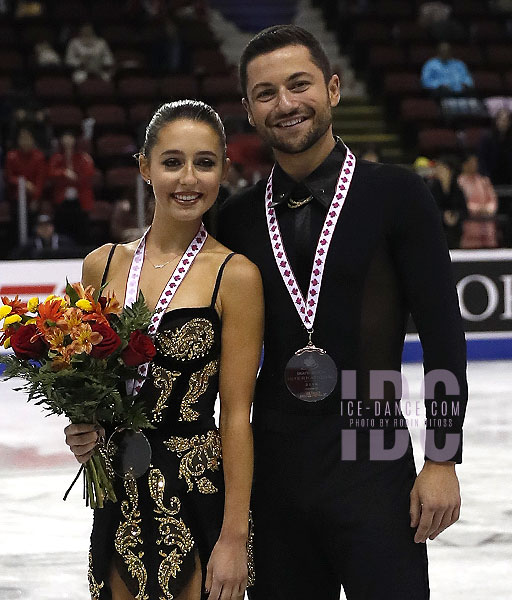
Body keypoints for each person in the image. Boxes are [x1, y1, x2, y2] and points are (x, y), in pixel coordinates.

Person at [218, 25, 467, 600]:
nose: (286, 104)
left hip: (373, 438)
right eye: (266, 93)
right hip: (274, 455)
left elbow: (443, 334)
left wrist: (442, 457)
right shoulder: (236, 219)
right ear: (250, 112)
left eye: (299, 84)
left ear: (333, 88)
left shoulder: (398, 193)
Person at [64, 100, 264, 600]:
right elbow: (88, 387)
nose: (188, 179)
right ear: (144, 167)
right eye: (172, 162)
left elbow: (237, 415)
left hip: (195, 487)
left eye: (205, 162)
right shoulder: (100, 266)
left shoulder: (234, 275)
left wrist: (235, 535)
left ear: (224, 169)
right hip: (115, 486)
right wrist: (82, 429)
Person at [48, 130, 95, 245]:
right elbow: (50, 173)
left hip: (80, 200)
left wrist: (74, 178)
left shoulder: (83, 158)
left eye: (70, 138)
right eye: (65, 138)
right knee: (62, 227)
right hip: (62, 200)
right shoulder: (57, 158)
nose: (67, 141)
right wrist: (64, 173)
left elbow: (87, 175)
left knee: (81, 228)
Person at [458, 153, 499, 248]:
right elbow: (460, 203)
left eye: (476, 162)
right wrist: (476, 209)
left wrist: (488, 209)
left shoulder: (484, 181)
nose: (474, 165)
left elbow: (493, 200)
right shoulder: (459, 182)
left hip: (487, 225)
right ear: (465, 164)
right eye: (471, 162)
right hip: (469, 225)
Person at [427, 155, 467, 248]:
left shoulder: (458, 189)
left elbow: (464, 210)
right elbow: (429, 210)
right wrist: (443, 216)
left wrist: (456, 216)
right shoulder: (431, 188)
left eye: (442, 168)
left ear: (450, 171)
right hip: (437, 232)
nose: (439, 171)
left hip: (455, 232)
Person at [478, 108, 512, 186]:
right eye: (501, 120)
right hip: (491, 175)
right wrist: (485, 176)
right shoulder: (487, 138)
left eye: (507, 120)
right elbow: (482, 159)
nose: (504, 123)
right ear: (496, 121)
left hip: (509, 175)